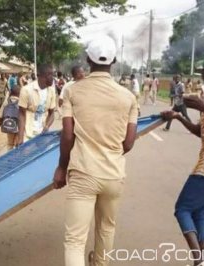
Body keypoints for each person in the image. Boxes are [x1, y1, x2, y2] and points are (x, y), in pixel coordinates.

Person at [53, 35, 138, 266]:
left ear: (88, 60)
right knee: (106, 229)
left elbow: (68, 135)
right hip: (114, 175)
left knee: (75, 241)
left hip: (83, 173)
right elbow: (129, 143)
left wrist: (61, 167)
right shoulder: (128, 97)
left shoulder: (73, 91)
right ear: (114, 61)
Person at [161, 53, 204, 266]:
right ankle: (203, 261)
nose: (201, 74)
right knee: (199, 211)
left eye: (203, 70)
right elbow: (200, 131)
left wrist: (203, 107)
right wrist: (178, 117)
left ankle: (199, 261)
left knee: (183, 209)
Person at [17, 64, 56, 144]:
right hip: (27, 134)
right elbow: (21, 114)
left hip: (42, 135)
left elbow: (52, 113)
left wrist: (47, 126)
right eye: (49, 74)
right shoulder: (26, 90)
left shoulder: (51, 91)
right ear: (40, 76)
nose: (52, 77)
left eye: (52, 74)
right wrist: (20, 137)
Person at [0, 85, 21, 150]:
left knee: (10, 143)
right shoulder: (21, 101)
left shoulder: (7, 101)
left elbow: (1, 113)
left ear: (10, 92)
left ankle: (9, 154)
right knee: (18, 142)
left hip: (9, 125)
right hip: (19, 125)